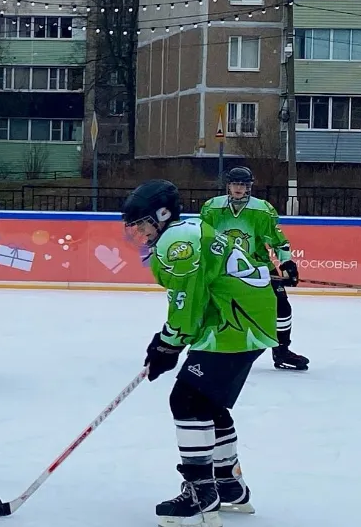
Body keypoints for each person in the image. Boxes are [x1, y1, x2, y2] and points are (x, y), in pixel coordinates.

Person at [122, 179, 277, 526]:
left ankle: (200, 491)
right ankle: (229, 485)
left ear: (162, 215)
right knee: (206, 403)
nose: (139, 232)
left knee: (187, 400)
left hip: (235, 322)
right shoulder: (186, 231)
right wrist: (169, 339)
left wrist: (169, 343)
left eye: (142, 224)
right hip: (242, 319)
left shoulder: (178, 243)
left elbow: (187, 300)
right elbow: (199, 295)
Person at [199, 166, 309, 371]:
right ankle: (203, 348)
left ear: (249, 186)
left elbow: (278, 241)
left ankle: (282, 351)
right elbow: (203, 238)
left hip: (258, 267)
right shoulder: (211, 208)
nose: (239, 188)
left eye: (243, 184)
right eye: (235, 184)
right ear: (228, 185)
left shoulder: (262, 210)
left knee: (282, 306)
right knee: (210, 306)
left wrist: (287, 263)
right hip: (222, 268)